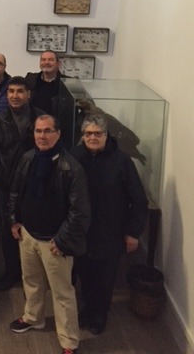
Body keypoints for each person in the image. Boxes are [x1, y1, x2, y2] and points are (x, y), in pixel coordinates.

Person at [8, 114, 90, 354]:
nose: (42, 136)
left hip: (55, 243)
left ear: (58, 133)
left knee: (62, 293)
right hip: (28, 235)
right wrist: (14, 221)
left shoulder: (72, 168)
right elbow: (15, 191)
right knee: (31, 282)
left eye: (47, 131)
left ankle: (68, 342)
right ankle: (34, 317)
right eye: (38, 131)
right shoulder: (28, 158)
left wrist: (62, 240)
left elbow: (80, 211)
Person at [71, 114, 148, 335]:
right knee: (85, 272)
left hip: (111, 231)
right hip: (83, 230)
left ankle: (100, 313)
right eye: (88, 133)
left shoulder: (122, 161)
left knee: (105, 276)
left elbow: (138, 199)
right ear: (83, 136)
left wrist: (133, 232)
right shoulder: (75, 156)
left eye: (98, 133)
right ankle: (88, 308)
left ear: (106, 135)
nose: (93, 137)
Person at [0, 76, 44, 291]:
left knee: (33, 230)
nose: (15, 96)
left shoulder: (40, 119)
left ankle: (33, 275)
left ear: (28, 94)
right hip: (6, 186)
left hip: (34, 185)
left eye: (19, 91)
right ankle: (11, 272)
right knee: (9, 231)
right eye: (11, 91)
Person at [25, 50, 65, 116]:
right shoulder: (31, 79)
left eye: (50, 60)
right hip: (34, 121)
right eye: (43, 60)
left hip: (58, 121)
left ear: (58, 63)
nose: (46, 62)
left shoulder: (67, 82)